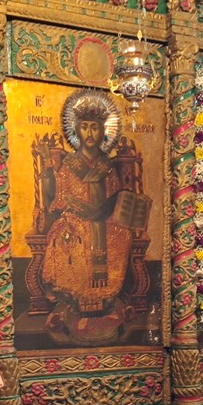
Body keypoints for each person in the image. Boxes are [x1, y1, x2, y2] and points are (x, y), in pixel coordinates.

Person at [39, 89, 138, 341]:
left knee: (121, 236)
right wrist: (80, 211)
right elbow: (61, 196)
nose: (90, 134)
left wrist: (107, 210)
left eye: (95, 128)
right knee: (69, 240)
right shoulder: (69, 164)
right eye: (85, 128)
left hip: (104, 219)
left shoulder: (107, 165)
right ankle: (74, 304)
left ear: (104, 132)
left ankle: (107, 300)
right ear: (77, 131)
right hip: (76, 219)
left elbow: (115, 194)